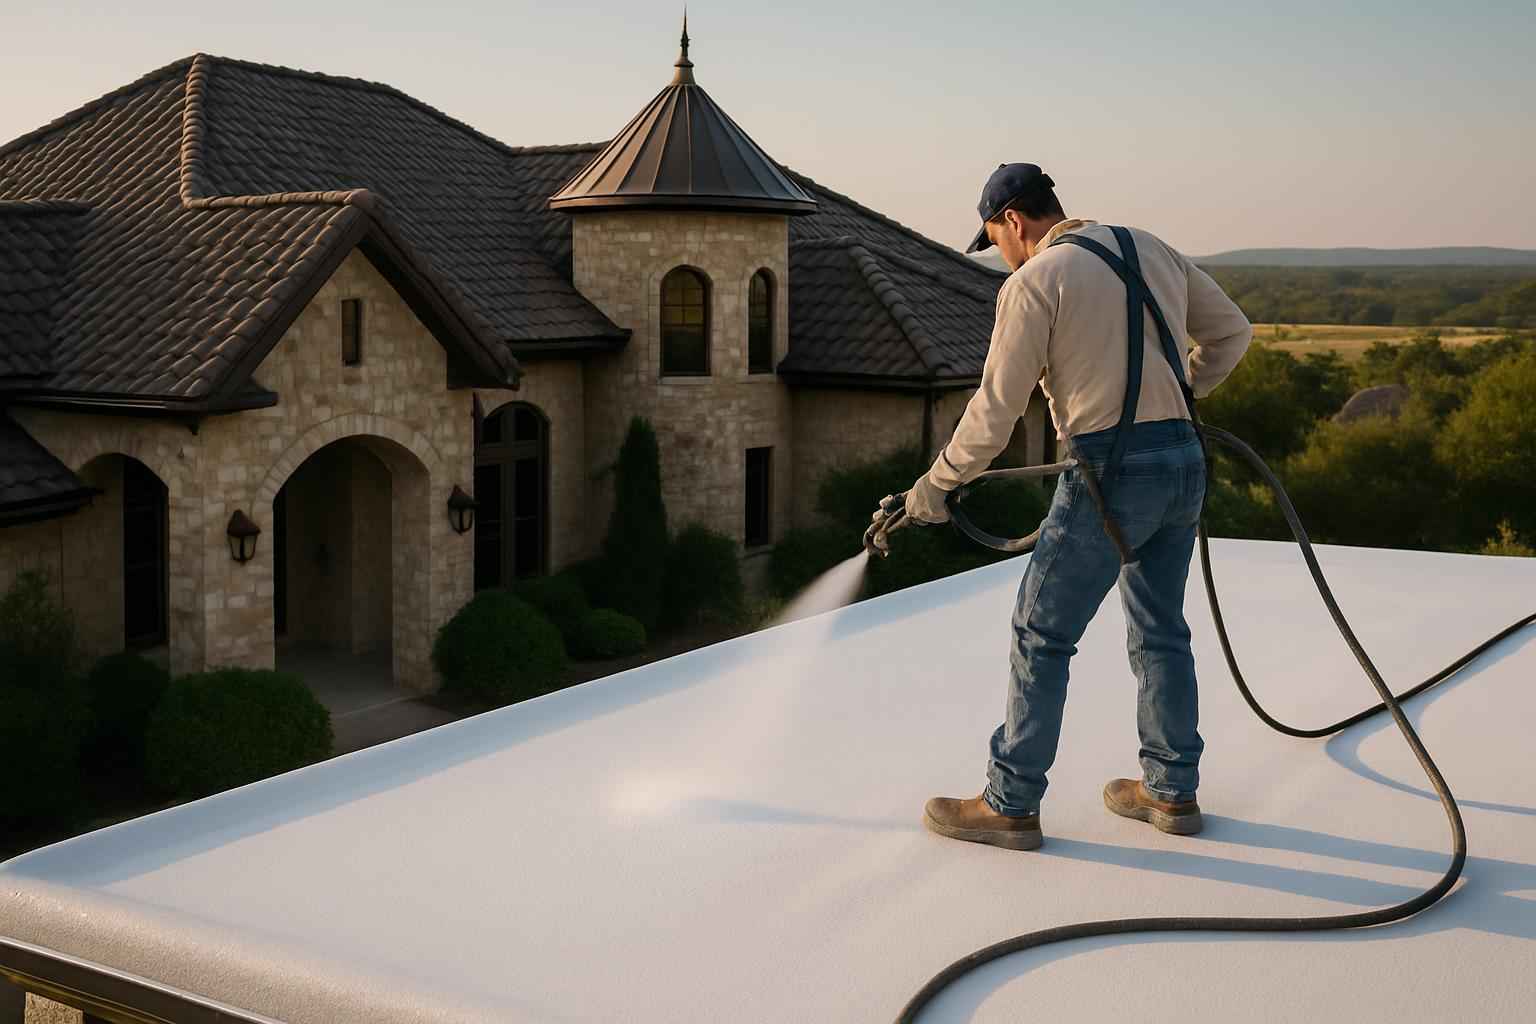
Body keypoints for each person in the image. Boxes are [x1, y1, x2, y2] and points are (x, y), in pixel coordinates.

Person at [902, 163, 1252, 851]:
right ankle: (1172, 792)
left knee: (1043, 631)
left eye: (994, 238)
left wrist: (937, 484)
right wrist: (1182, 398)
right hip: (1184, 461)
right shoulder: (1150, 247)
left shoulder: (1035, 281)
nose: (1000, 252)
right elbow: (1232, 333)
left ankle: (1010, 803)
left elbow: (995, 413)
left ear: (1012, 221)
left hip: (1108, 474)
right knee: (1160, 628)